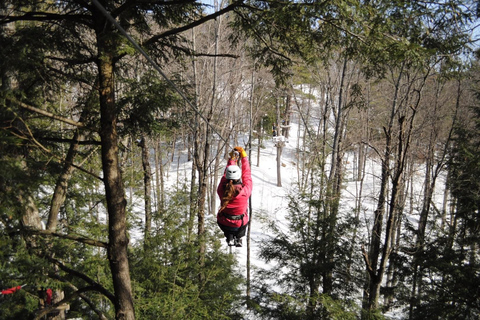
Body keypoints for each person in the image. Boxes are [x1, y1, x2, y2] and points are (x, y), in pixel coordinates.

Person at [217, 146, 252, 247]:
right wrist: (244, 157)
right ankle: (239, 237)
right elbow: (247, 175)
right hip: (240, 224)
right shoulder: (245, 191)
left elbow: (225, 176)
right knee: (242, 218)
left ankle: (230, 236)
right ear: (238, 177)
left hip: (224, 223)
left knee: (228, 220)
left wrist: (232, 160)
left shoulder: (221, 189)